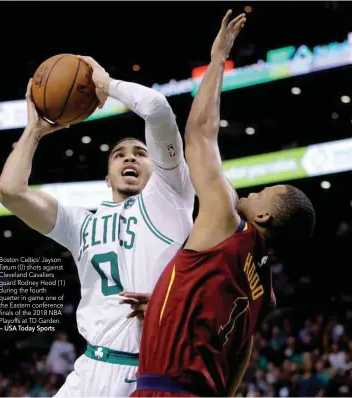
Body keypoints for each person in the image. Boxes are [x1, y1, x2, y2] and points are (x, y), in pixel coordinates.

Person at [126, 10, 316, 397]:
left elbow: (199, 135)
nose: (254, 192)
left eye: (264, 193)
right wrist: (169, 301)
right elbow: (240, 349)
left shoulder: (227, 220)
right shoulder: (264, 289)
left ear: (263, 216)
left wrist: (218, 58)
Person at [0, 58, 195, 396]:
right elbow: (11, 192)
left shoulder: (170, 198)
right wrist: (34, 131)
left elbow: (158, 109)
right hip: (87, 369)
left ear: (157, 167)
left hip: (142, 370)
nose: (130, 157)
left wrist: (106, 84)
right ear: (107, 177)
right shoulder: (81, 222)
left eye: (140, 153)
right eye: (119, 154)